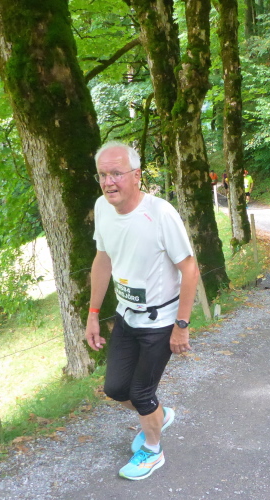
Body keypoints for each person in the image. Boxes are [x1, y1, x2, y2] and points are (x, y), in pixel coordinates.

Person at [85, 141, 199, 481]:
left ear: (136, 175)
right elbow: (103, 259)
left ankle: (152, 450)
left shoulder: (161, 213)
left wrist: (181, 325)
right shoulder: (102, 208)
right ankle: (158, 416)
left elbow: (190, 269)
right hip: (126, 315)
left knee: (141, 393)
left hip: (160, 320)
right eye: (102, 175)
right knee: (116, 389)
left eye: (116, 174)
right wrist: (93, 313)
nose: (109, 182)